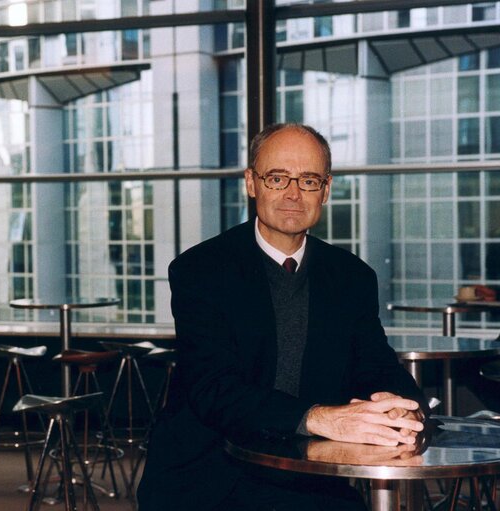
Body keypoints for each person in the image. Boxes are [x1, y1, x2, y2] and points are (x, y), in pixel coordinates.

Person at [136, 123, 429, 511]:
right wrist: (316, 417)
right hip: (212, 474)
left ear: (325, 190)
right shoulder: (200, 269)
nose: (293, 193)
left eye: (308, 180)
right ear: (252, 184)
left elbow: (376, 365)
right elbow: (214, 389)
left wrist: (400, 404)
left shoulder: (352, 276)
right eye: (277, 178)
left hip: (313, 476)